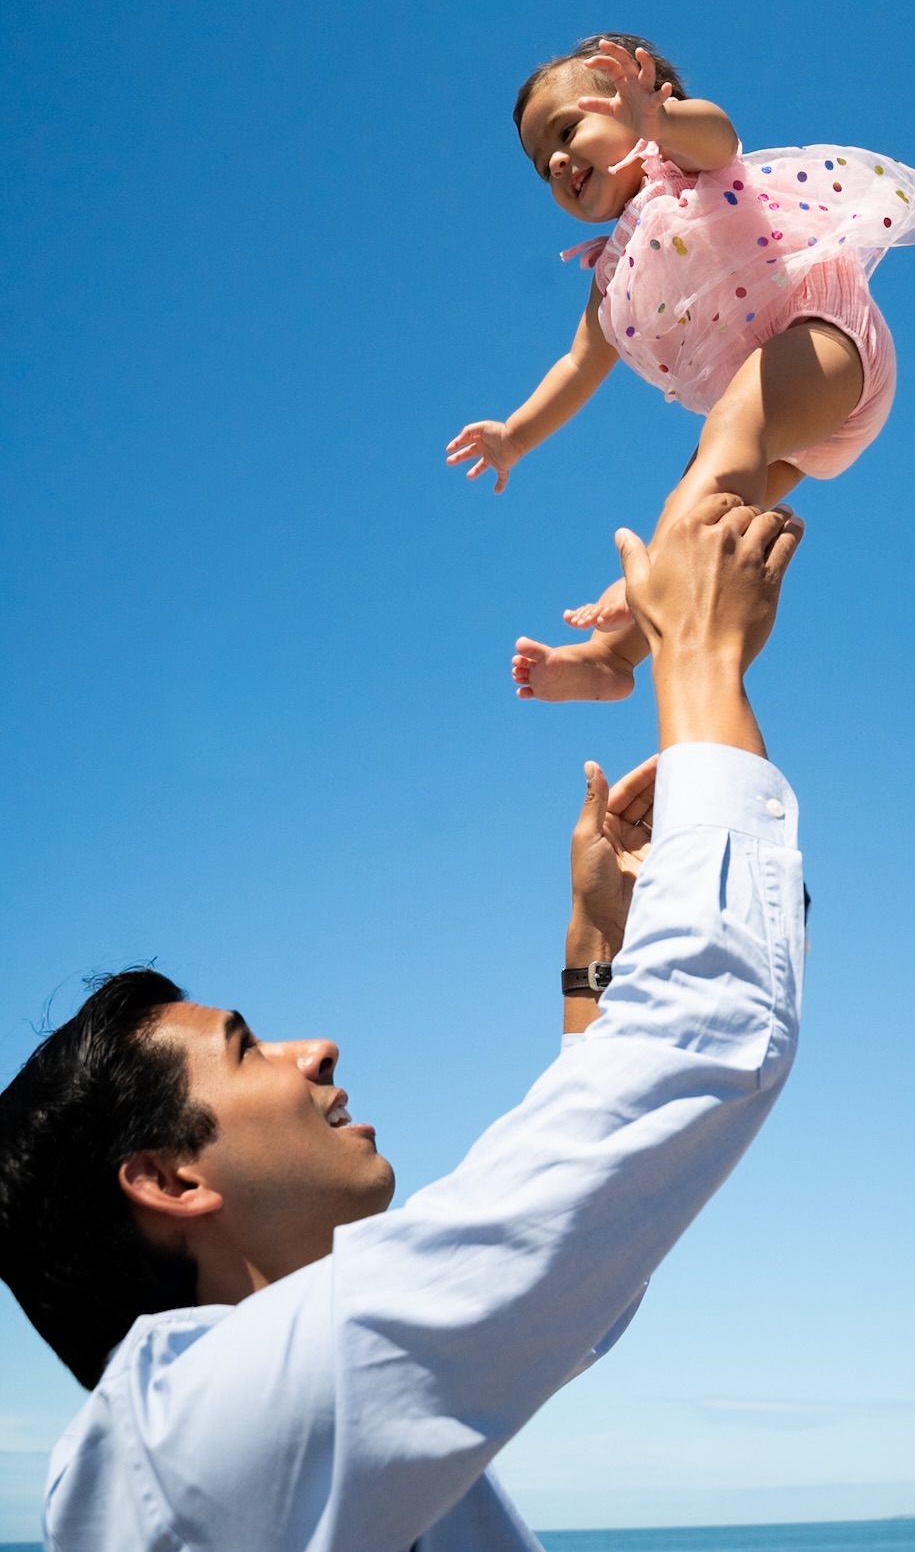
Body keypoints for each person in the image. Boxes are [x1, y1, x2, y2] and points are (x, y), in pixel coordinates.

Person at [0, 495, 807, 1552]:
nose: (316, 1047)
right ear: (170, 1179)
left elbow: (562, 1277)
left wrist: (593, 959)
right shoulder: (182, 1434)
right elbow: (700, 1036)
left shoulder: (250, 1451)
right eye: (246, 1048)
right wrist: (698, 660)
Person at [446, 32, 915, 704]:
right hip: (793, 431)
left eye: (567, 129)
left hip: (827, 339)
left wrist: (658, 121)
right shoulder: (611, 274)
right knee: (690, 509)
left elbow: (719, 135)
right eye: (543, 164)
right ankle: (612, 655)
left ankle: (668, 606)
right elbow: (578, 364)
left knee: (722, 447)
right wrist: (514, 435)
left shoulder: (680, 163)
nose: (559, 159)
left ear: (641, 96)